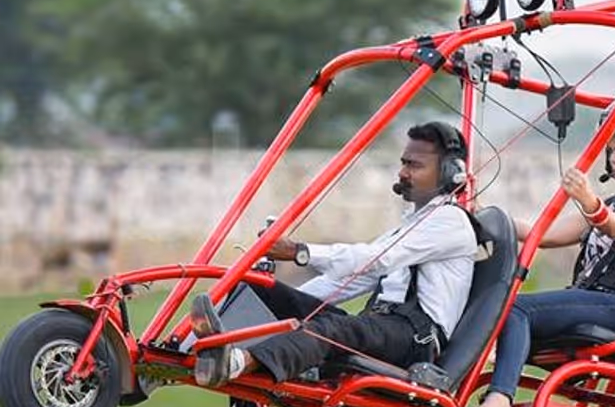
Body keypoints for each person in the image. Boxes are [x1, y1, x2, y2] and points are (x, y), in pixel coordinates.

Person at [456, 93, 615, 407]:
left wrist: (588, 200)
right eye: (611, 150)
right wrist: (486, 218)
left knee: (516, 310)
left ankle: (499, 405)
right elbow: (549, 233)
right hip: (600, 303)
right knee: (493, 303)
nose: (613, 159)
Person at [190, 122, 479, 387]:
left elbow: (377, 258)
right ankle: (188, 350)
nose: (403, 172)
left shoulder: (450, 222)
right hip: (382, 327)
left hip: (415, 339)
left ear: (447, 173)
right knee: (259, 287)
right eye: (403, 163)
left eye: (414, 165)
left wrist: (300, 252)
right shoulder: (411, 226)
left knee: (329, 329)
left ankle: (238, 362)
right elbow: (350, 278)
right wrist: (288, 302)